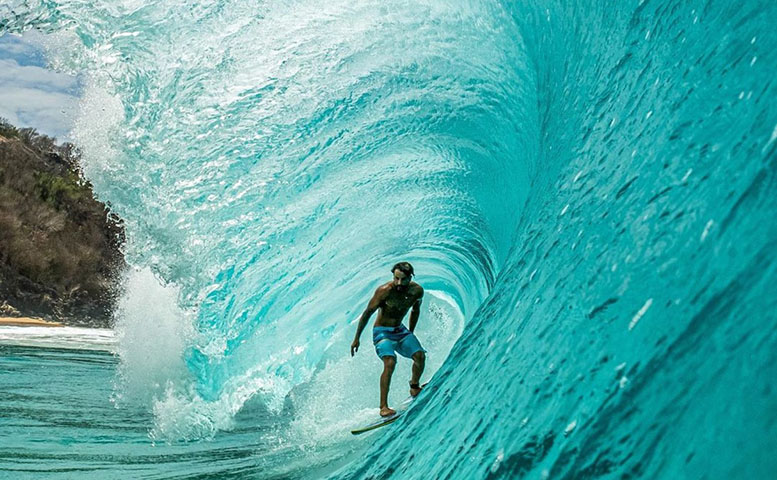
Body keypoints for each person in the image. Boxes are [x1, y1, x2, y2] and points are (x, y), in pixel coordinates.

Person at [351, 261, 426, 417]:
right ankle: (383, 407)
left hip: (400, 330)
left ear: (410, 278)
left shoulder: (417, 291)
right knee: (390, 362)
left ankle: (414, 387)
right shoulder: (384, 291)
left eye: (403, 279)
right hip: (382, 332)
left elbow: (415, 311)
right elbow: (367, 313)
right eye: (396, 278)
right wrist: (356, 338)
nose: (398, 283)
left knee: (419, 356)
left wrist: (411, 332)